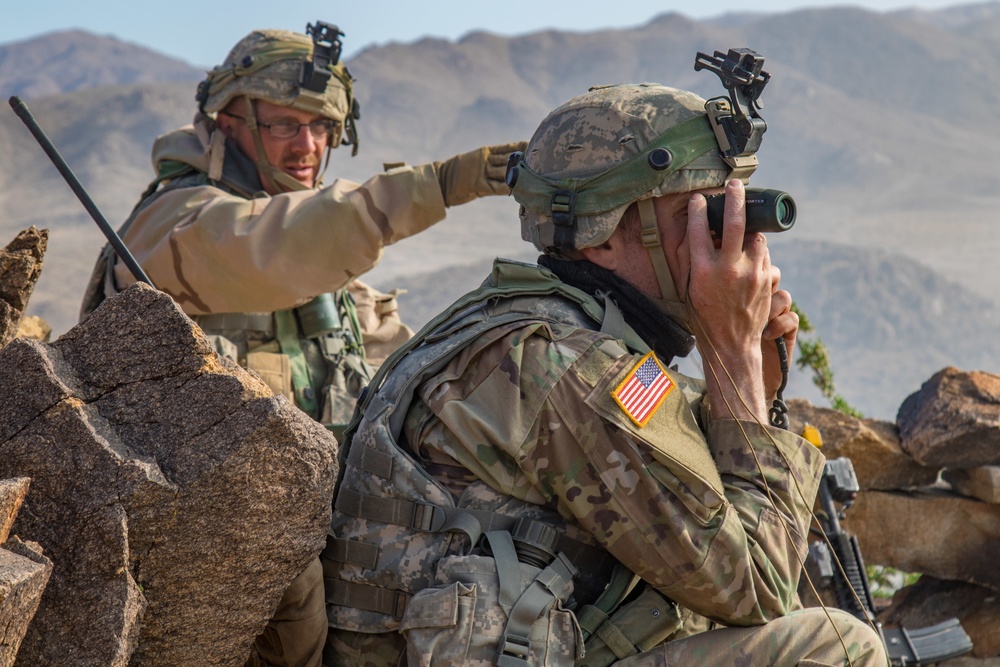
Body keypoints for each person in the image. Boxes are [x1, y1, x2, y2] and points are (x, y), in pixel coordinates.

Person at [322, 75, 889, 665]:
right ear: (604, 236)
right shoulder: (561, 366)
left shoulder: (552, 330)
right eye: (697, 213)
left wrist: (755, 379)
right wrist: (734, 347)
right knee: (837, 650)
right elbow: (756, 587)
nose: (730, 237)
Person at [79, 21, 524, 667]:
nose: (308, 146)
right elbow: (271, 246)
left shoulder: (318, 259)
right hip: (216, 547)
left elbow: (399, 377)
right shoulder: (175, 224)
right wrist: (443, 184)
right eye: (286, 124)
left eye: (322, 129)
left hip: (321, 526)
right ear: (228, 119)